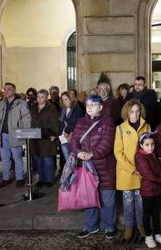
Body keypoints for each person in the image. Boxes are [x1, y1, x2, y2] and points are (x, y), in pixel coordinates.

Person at [70, 95, 117, 239]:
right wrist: (78, 153)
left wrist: (91, 154)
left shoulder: (108, 122)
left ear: (101, 107)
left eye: (93, 104)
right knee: (89, 198)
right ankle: (91, 226)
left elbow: (107, 144)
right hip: (86, 168)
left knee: (107, 199)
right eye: (87, 104)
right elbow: (74, 141)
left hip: (105, 168)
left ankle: (109, 226)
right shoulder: (80, 122)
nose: (89, 107)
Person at [114, 99, 151, 241]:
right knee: (128, 201)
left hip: (142, 172)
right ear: (127, 113)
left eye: (137, 111)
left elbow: (149, 149)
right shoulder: (121, 129)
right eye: (132, 112)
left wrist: (143, 168)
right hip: (126, 172)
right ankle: (129, 227)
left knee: (140, 200)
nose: (135, 114)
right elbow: (118, 152)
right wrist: (131, 168)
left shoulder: (147, 127)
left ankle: (141, 225)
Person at [0, 82, 31, 188]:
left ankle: (20, 178)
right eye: (5, 89)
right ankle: (6, 178)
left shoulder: (21, 103)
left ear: (14, 90)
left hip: (16, 135)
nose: (6, 91)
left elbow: (27, 119)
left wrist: (26, 133)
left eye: (9, 89)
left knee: (17, 157)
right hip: (2, 136)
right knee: (5, 158)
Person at [135, 132, 161, 248]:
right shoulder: (140, 157)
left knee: (156, 214)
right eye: (147, 145)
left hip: (157, 190)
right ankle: (148, 236)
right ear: (141, 145)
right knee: (147, 214)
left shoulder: (153, 154)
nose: (150, 147)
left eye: (152, 144)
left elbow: (159, 170)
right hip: (148, 191)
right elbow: (148, 175)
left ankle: (157, 234)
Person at [30, 89, 59, 188]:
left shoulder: (51, 108)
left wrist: (55, 134)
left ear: (46, 98)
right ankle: (41, 179)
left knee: (47, 159)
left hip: (47, 136)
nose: (39, 99)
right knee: (38, 159)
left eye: (42, 97)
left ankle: (49, 179)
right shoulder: (33, 107)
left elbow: (55, 122)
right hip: (35, 136)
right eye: (38, 96)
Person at [59, 91, 84, 166]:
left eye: (66, 99)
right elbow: (60, 122)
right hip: (63, 137)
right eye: (63, 100)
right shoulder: (62, 109)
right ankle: (71, 175)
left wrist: (68, 130)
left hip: (74, 136)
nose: (64, 102)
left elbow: (79, 123)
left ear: (71, 99)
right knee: (68, 160)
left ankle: (76, 176)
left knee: (74, 160)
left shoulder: (77, 108)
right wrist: (63, 131)